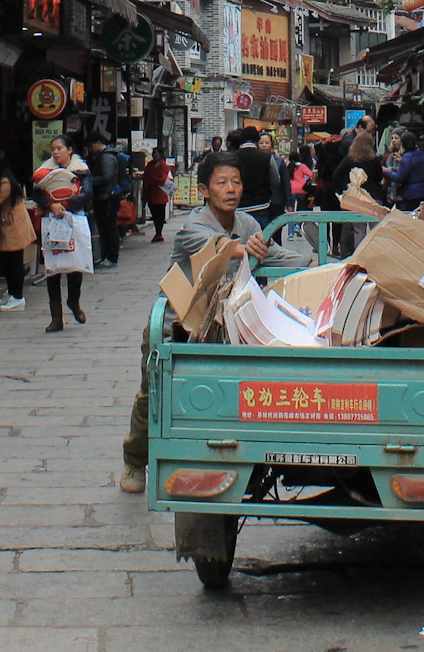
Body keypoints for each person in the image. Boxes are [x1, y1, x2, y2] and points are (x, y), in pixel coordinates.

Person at [118, 151, 313, 494]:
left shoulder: (249, 224)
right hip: (175, 327)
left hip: (224, 329)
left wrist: (315, 263)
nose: (231, 189)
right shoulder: (192, 226)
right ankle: (135, 460)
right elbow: (223, 248)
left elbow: (273, 253)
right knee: (154, 395)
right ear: (205, 190)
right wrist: (246, 248)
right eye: (222, 183)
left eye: (236, 182)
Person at [40, 180, 91, 332]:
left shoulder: (80, 172)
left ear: (69, 153)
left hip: (74, 219)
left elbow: (87, 194)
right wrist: (51, 205)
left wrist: (64, 204)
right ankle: (56, 318)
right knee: (52, 269)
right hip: (51, 220)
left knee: (75, 266)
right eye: (53, 152)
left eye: (59, 152)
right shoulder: (45, 173)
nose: (56, 153)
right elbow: (37, 192)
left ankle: (73, 301)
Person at [0, 161, 35, 312]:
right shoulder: (1, 180)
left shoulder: (5, 182)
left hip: (15, 226)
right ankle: (11, 293)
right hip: (9, 225)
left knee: (15, 262)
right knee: (8, 261)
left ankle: (18, 298)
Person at [231, 125, 286, 230]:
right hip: (261, 206)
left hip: (239, 207)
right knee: (260, 241)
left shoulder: (232, 158)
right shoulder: (267, 157)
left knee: (241, 240)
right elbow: (276, 181)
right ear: (257, 140)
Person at [87, 137, 125, 270]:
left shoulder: (106, 157)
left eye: (91, 145)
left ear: (97, 143)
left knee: (109, 227)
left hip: (107, 197)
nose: (90, 149)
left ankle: (111, 257)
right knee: (105, 227)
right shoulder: (106, 155)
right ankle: (106, 256)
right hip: (106, 196)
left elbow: (107, 177)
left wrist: (89, 181)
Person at [141, 146, 173, 241]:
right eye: (153, 153)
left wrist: (152, 179)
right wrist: (155, 179)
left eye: (156, 153)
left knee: (160, 214)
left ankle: (159, 233)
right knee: (154, 213)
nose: (154, 155)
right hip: (150, 192)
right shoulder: (150, 165)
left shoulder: (165, 166)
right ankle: (157, 232)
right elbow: (146, 177)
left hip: (160, 193)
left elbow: (162, 179)